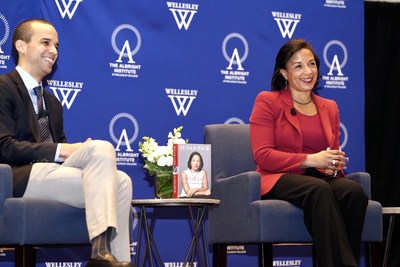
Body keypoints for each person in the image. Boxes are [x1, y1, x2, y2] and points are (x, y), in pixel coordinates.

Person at [0, 19, 133, 267]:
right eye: (45, 43)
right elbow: (4, 147)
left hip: (54, 174)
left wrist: (74, 151)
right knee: (101, 155)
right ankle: (100, 252)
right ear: (21, 46)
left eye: (57, 46)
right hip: (21, 176)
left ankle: (115, 260)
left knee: (120, 178)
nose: (53, 51)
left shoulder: (52, 102)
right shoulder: (3, 88)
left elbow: (59, 151)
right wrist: (65, 150)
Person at [249, 39, 368, 267]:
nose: (308, 71)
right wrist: (310, 159)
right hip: (277, 177)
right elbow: (263, 155)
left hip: (318, 177)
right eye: (298, 66)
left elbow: (331, 154)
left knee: (353, 191)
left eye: (311, 64)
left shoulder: (329, 106)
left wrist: (332, 165)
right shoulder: (267, 101)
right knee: (318, 189)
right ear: (284, 72)